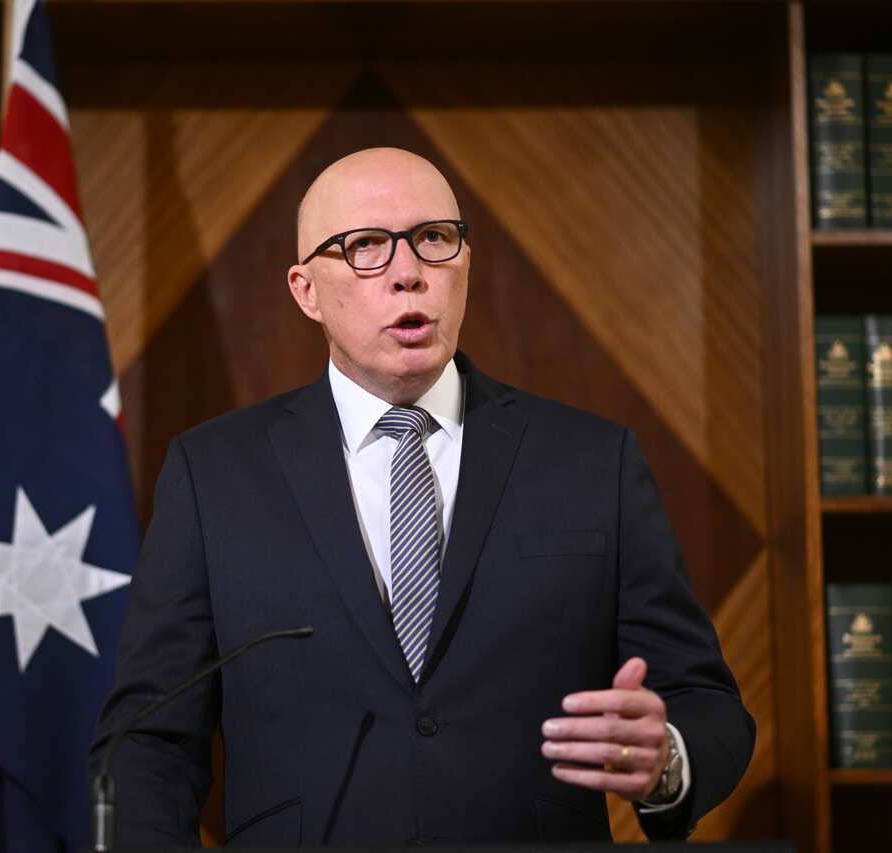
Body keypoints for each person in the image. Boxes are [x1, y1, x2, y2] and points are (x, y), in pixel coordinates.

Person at [89, 147, 754, 844]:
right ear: (306, 289)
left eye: (434, 239)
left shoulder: (591, 460)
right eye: (366, 246)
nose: (408, 273)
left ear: (465, 263)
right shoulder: (214, 473)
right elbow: (148, 738)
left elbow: (706, 701)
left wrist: (665, 761)